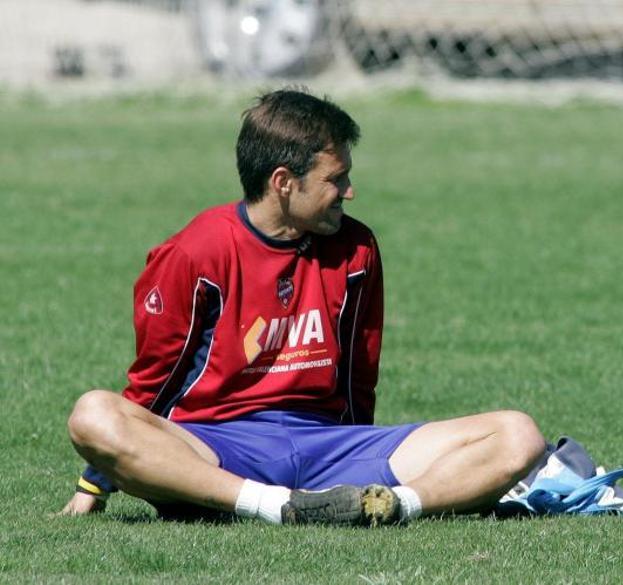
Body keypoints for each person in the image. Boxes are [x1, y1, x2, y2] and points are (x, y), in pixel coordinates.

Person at [59, 88, 546, 526]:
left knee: (517, 435)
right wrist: (94, 483)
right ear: (283, 182)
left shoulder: (357, 249)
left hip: (329, 451)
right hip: (216, 451)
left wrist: (367, 461)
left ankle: (387, 506)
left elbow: (359, 377)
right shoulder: (196, 251)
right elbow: (155, 381)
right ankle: (270, 506)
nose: (350, 192)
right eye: (337, 179)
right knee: (92, 415)